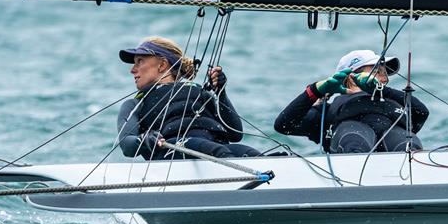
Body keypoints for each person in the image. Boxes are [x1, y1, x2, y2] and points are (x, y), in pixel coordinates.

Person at [117, 36, 260, 160]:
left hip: (215, 148)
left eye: (140, 61)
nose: (132, 69)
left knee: (250, 153)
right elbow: (126, 145)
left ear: (162, 65)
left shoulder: (199, 92)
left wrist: (221, 93)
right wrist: (144, 140)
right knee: (215, 150)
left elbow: (235, 134)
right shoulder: (136, 104)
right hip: (173, 151)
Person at [274, 49, 428, 154]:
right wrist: (316, 90)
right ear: (350, 77)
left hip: (397, 156)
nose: (385, 78)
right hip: (349, 150)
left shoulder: (393, 102)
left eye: (385, 73)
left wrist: (384, 91)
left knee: (407, 144)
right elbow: (283, 125)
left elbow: (421, 112)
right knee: (354, 138)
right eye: (377, 71)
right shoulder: (326, 112)